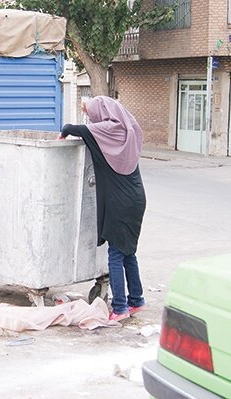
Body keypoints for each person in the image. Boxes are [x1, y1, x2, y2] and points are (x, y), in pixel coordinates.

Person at [58, 96, 146, 322]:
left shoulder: (106, 130)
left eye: (91, 113)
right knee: (128, 252)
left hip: (120, 202)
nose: (91, 118)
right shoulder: (129, 129)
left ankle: (119, 307)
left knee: (115, 254)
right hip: (136, 198)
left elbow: (72, 128)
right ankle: (136, 300)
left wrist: (64, 132)